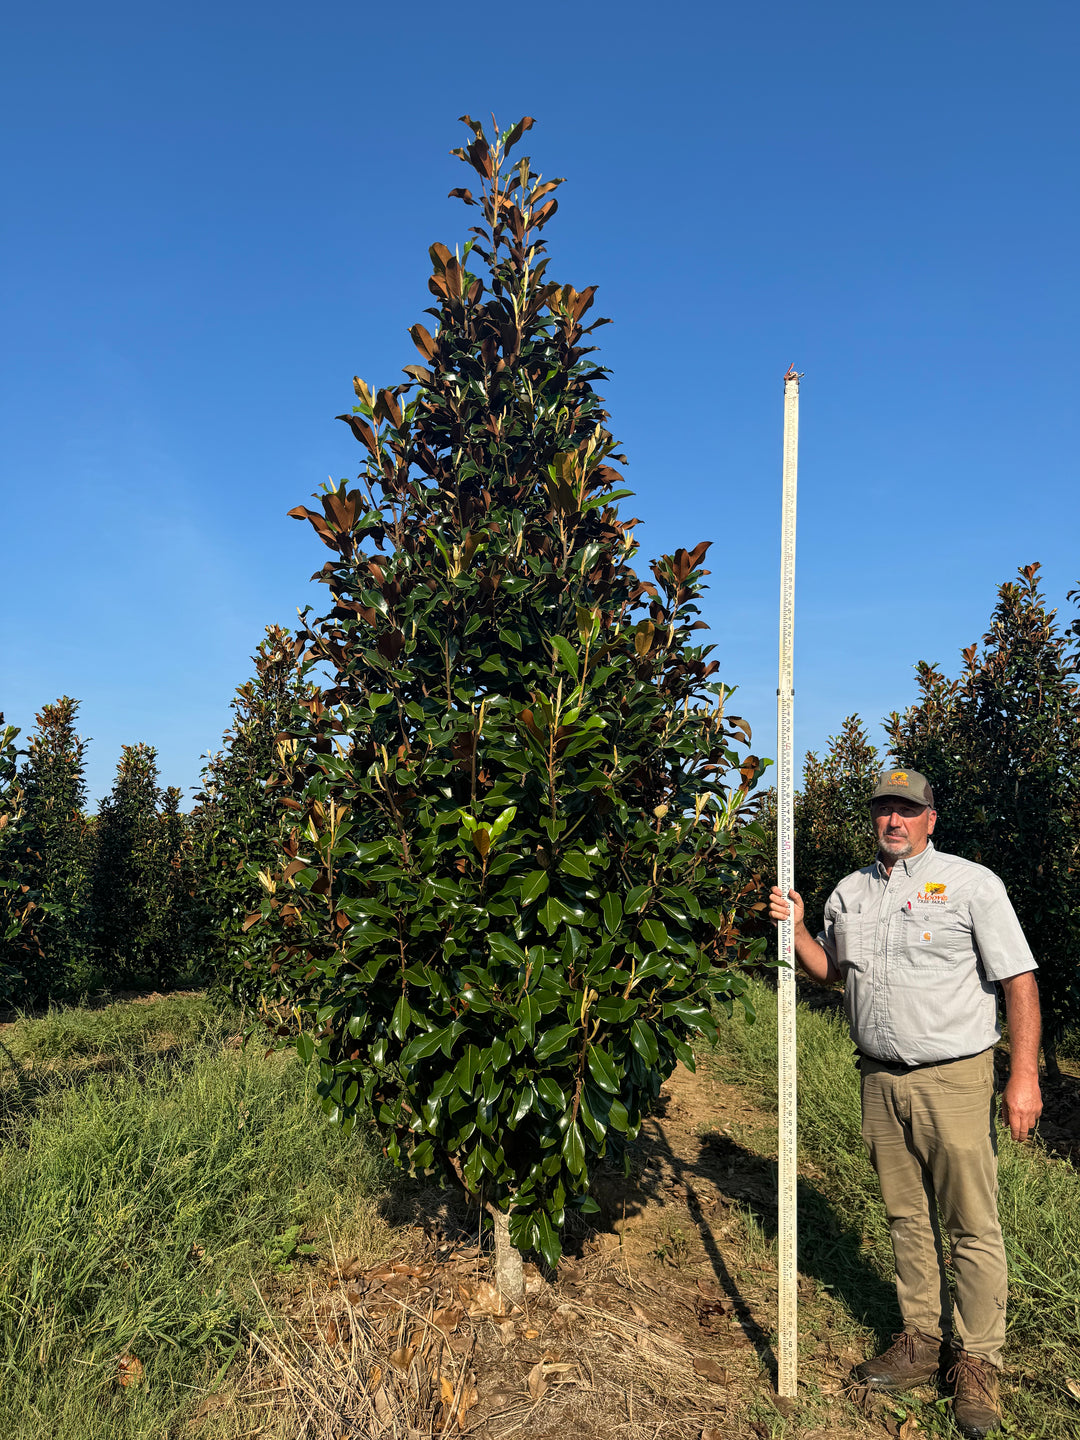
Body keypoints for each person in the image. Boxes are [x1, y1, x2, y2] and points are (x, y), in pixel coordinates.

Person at [769, 767, 1041, 1440]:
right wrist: (801, 928)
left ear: (930, 818)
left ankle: (977, 1361)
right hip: (879, 1078)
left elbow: (1020, 979)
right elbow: (831, 971)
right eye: (885, 810)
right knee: (905, 1217)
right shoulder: (849, 892)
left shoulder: (973, 886)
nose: (895, 820)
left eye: (907, 810)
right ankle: (921, 1340)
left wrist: (1024, 1075)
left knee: (970, 1222)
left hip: (955, 1076)